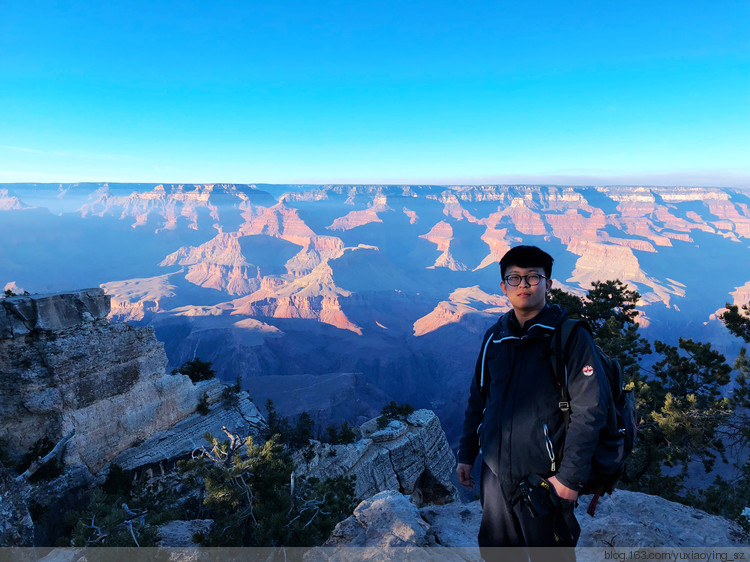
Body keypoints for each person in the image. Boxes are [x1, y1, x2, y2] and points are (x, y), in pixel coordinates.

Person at [456, 245, 608, 552]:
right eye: (514, 278)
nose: (523, 285)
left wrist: (570, 478)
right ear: (503, 287)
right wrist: (467, 454)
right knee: (497, 553)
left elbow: (590, 410)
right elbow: (479, 399)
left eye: (532, 278)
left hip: (546, 477)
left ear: (548, 284)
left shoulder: (571, 338)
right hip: (495, 472)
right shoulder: (495, 337)